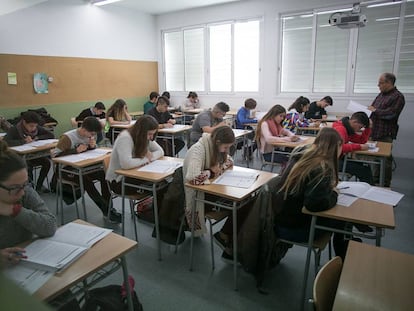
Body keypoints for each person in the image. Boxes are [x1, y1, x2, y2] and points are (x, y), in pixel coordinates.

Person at [274, 127, 348, 259]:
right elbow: (314, 205)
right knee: (344, 221)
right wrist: (334, 194)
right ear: (336, 146)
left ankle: (344, 256)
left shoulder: (303, 155)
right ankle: (343, 259)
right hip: (293, 229)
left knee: (343, 220)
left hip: (281, 220)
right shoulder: (321, 167)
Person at [183, 126, 248, 261]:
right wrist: (211, 172)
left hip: (212, 189)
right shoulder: (199, 149)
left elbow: (230, 161)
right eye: (225, 147)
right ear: (217, 142)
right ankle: (225, 236)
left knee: (247, 200)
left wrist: (217, 168)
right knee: (241, 204)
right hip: (199, 195)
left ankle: (226, 235)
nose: (226, 151)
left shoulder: (216, 148)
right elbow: (192, 177)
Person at [51, 117, 121, 223]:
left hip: (83, 165)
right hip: (65, 170)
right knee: (85, 180)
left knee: (104, 174)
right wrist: (75, 150)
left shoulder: (91, 135)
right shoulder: (67, 137)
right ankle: (106, 209)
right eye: (91, 134)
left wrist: (93, 146)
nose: (92, 136)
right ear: (83, 129)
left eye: (94, 134)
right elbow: (55, 156)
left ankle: (109, 207)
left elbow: (90, 151)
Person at [0, 139, 56, 266]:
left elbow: (50, 225)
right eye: (14, 188)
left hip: (25, 263)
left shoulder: (24, 190)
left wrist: (14, 210)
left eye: (24, 184)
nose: (22, 193)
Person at [106, 115, 164, 195]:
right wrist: (146, 159)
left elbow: (160, 151)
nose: (151, 137)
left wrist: (149, 157)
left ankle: (153, 207)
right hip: (119, 180)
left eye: (153, 134)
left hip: (135, 173)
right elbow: (126, 164)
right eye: (150, 134)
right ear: (141, 131)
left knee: (162, 184)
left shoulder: (143, 137)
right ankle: (153, 207)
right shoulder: (125, 138)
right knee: (158, 187)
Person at [368, 72, 405, 187]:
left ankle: (384, 184)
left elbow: (391, 114)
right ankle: (374, 181)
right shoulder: (381, 95)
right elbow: (372, 108)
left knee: (385, 159)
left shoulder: (397, 96)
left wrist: (375, 111)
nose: (378, 85)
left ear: (389, 83)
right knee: (375, 158)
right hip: (375, 130)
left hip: (385, 132)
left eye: (380, 83)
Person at [4, 111, 54, 193]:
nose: (33, 128)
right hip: (18, 158)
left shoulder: (36, 128)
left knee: (47, 163)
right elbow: (6, 142)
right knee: (27, 166)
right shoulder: (15, 129)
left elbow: (50, 135)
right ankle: (29, 189)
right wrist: (23, 141)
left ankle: (39, 186)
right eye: (31, 126)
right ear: (24, 122)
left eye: (35, 126)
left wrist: (36, 138)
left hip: (32, 154)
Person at [332, 111, 374, 184]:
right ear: (354, 122)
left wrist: (368, 128)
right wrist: (359, 147)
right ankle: (368, 191)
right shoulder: (340, 128)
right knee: (364, 171)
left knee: (366, 166)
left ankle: (368, 188)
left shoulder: (348, 129)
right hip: (332, 161)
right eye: (360, 127)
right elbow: (340, 147)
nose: (360, 129)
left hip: (340, 158)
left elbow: (362, 140)